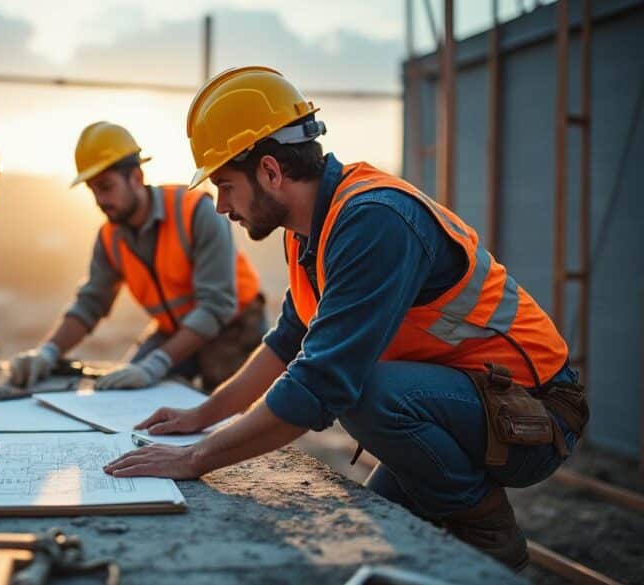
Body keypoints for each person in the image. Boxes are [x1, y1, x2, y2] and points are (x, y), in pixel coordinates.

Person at [103, 67, 588, 570]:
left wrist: (195, 458)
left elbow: (322, 382)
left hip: (532, 415)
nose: (221, 205)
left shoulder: (374, 219)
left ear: (270, 171)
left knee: (356, 390)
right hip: (454, 404)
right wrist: (202, 417)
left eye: (225, 185)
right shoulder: (309, 232)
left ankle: (490, 535)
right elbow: (287, 342)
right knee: (383, 531)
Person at [9, 121, 266, 392]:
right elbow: (90, 304)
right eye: (93, 190)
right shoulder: (110, 237)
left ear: (136, 177)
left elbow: (216, 306)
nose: (99, 200)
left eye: (106, 186)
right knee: (122, 391)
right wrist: (48, 352)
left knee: (227, 409)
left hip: (234, 329)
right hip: (176, 330)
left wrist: (155, 364)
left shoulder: (195, 212)